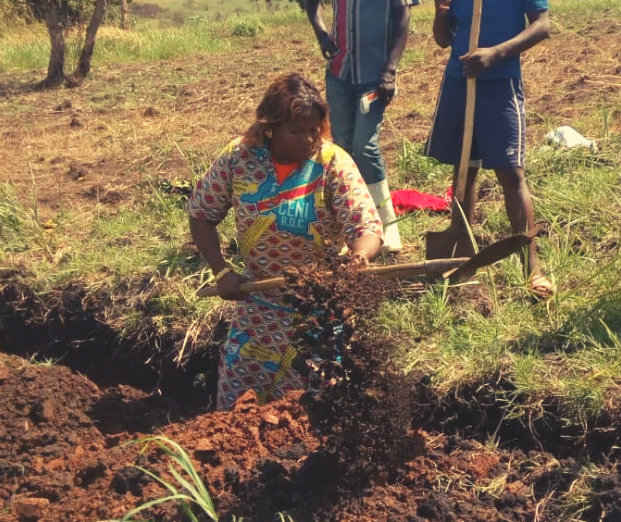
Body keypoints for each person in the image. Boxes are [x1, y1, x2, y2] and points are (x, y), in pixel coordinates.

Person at [187, 73, 383, 410]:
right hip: (257, 308)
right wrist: (221, 272)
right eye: (296, 131)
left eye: (314, 130)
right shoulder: (239, 158)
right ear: (270, 128)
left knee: (311, 414)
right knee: (237, 415)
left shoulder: (332, 163)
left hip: (317, 313)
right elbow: (201, 213)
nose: (308, 139)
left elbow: (367, 227)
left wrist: (359, 258)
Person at [424, 0, 553, 298]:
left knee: (510, 173)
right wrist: (441, 13)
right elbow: (444, 40)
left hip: (501, 83)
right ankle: (459, 251)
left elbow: (542, 25)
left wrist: (496, 54)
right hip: (459, 81)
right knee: (464, 169)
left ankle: (532, 267)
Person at [304, 0, 420, 252]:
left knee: (364, 146)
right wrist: (322, 35)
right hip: (339, 73)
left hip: (375, 76)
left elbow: (402, 18)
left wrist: (390, 70)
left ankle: (389, 223)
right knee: (341, 148)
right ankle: (345, 229)